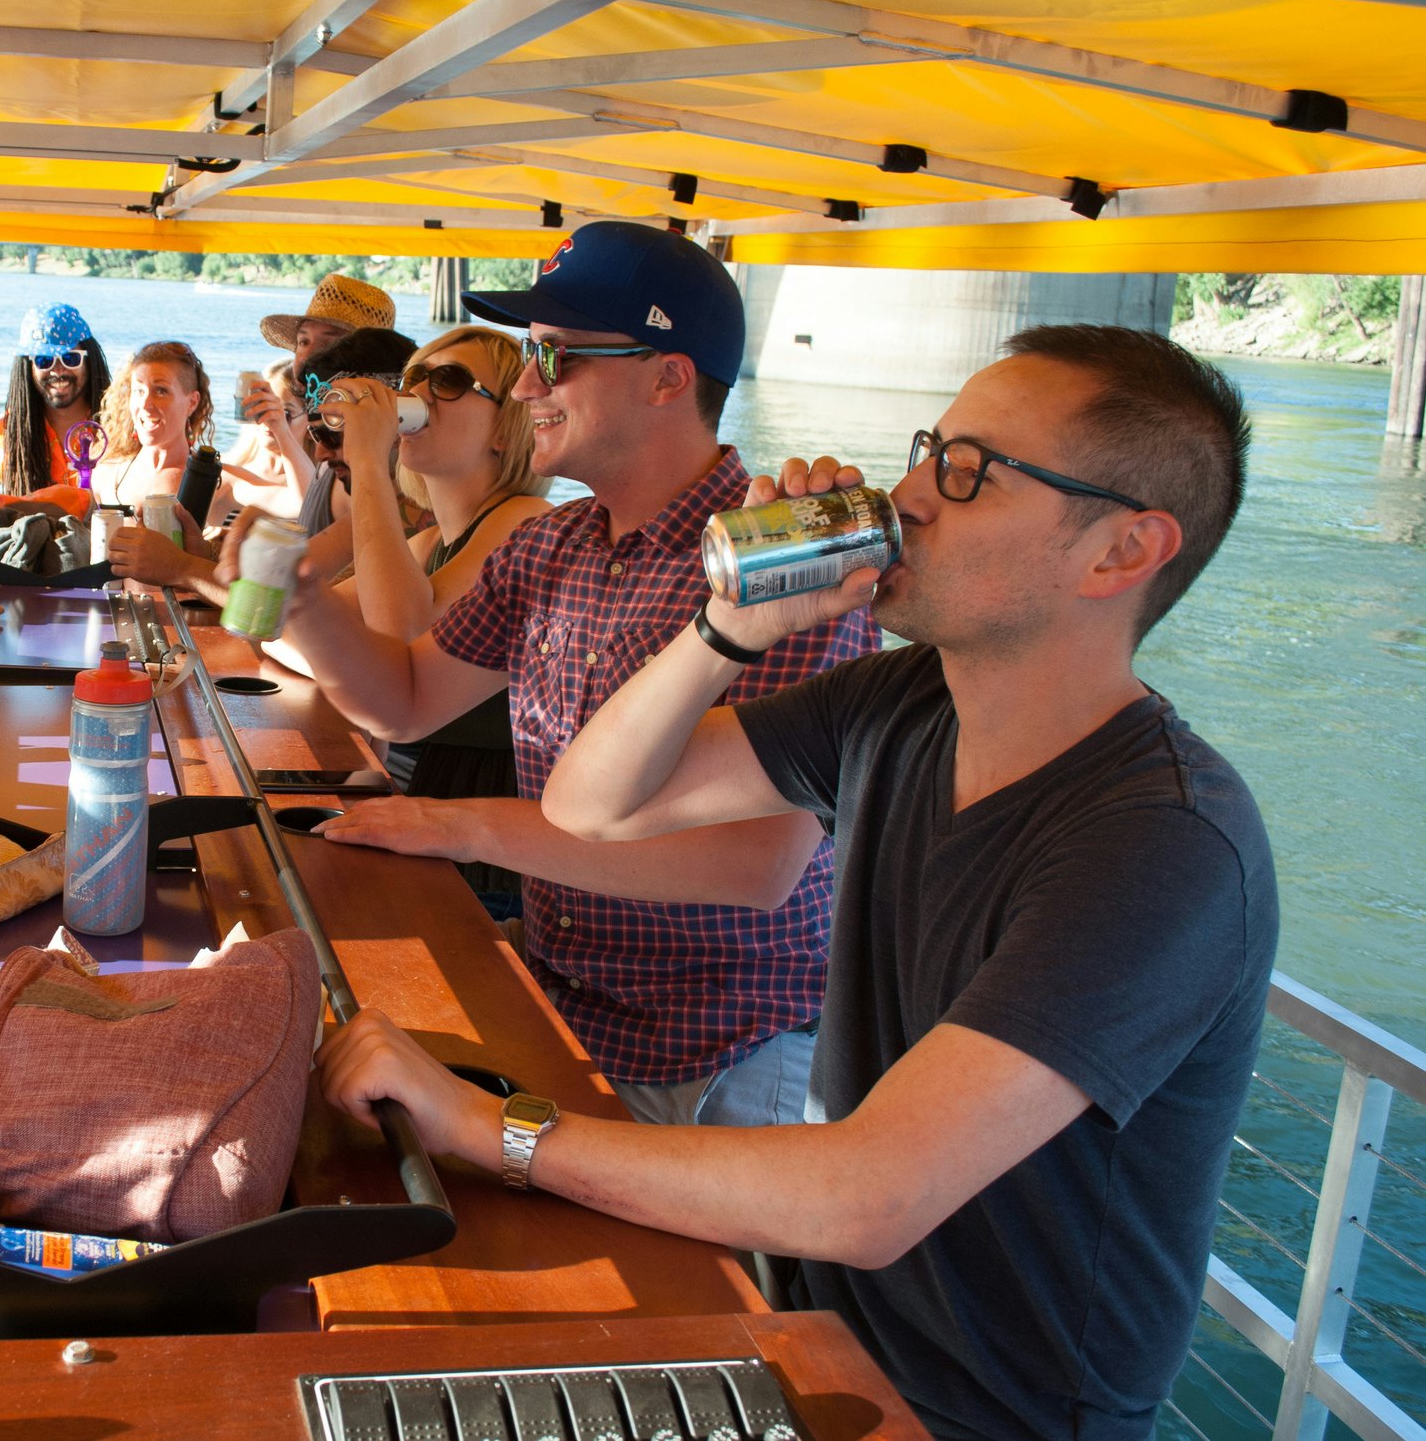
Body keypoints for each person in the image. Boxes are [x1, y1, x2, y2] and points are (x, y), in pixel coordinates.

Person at [324, 326, 1274, 1441]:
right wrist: (728, 621)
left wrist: (492, 1130)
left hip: (979, 1413)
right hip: (816, 1342)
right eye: (928, 450)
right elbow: (593, 800)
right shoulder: (894, 705)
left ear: (1118, 552)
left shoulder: (1159, 841)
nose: (908, 494)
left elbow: (868, 1195)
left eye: (968, 473)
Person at [233, 222, 879, 1128]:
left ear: (668, 375)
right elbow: (408, 701)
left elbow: (754, 863)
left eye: (557, 356)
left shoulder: (786, 561)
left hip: (722, 1054)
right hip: (560, 1004)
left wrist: (461, 827)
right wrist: (302, 598)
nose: (528, 385)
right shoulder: (552, 544)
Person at [303, 326, 553, 907]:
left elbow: (397, 641)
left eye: (450, 380)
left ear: (505, 428)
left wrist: (367, 461)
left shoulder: (526, 521)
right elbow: (291, 625)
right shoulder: (434, 541)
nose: (419, 391)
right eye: (414, 378)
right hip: (422, 808)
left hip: (490, 848)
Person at [107, 328, 415, 597]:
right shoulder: (354, 484)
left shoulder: (405, 508)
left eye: (334, 431)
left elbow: (286, 607)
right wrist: (204, 553)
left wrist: (181, 567)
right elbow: (298, 579)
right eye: (316, 433)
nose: (320, 452)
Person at [254, 274, 395, 536]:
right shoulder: (327, 436)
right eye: (303, 341)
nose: (306, 357)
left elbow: (312, 570)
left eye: (328, 345)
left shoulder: (368, 461)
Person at [87, 341, 237, 523]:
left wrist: (280, 429)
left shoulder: (214, 482)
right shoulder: (106, 474)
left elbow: (280, 501)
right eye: (139, 390)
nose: (145, 403)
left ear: (192, 402)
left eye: (161, 391)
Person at [0, 303, 111, 503]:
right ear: (27, 367)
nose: (58, 370)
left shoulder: (120, 427)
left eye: (70, 358)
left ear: (90, 360)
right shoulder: (6, 435)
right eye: (44, 360)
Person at [223, 357, 313, 519]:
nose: (270, 419)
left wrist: (281, 431)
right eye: (262, 406)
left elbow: (310, 504)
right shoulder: (229, 473)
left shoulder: (325, 478)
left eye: (285, 413)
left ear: (310, 422)